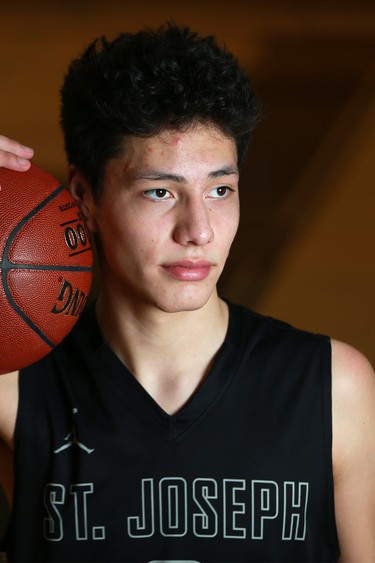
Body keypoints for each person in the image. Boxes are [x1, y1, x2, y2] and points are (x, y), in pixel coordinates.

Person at [0, 23, 374, 563]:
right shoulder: (20, 390)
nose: (198, 229)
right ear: (84, 198)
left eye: (220, 190)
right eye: (160, 192)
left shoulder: (332, 388)